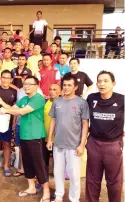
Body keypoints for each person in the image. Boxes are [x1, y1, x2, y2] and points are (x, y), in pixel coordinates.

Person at [0, 76, 50, 202]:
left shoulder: (38, 98)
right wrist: (1, 103)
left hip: (36, 136)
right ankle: (31, 187)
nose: (26, 86)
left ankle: (46, 191)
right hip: (25, 135)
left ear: (37, 86)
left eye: (29, 84)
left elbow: (22, 112)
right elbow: (14, 108)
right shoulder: (24, 98)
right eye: (25, 84)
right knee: (27, 163)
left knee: (39, 165)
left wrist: (5, 110)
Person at [47, 74, 89, 202]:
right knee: (57, 171)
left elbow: (85, 124)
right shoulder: (57, 101)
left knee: (74, 174)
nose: (66, 87)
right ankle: (59, 194)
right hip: (58, 144)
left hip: (74, 146)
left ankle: (74, 198)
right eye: (64, 85)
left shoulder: (82, 102)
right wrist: (50, 139)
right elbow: (53, 121)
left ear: (75, 87)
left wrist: (82, 144)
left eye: (69, 85)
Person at [86, 71, 124, 202]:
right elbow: (83, 119)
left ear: (113, 83)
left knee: (114, 181)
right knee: (92, 180)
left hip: (113, 145)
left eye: (106, 81)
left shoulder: (121, 100)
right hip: (94, 143)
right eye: (99, 81)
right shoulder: (91, 98)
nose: (102, 84)